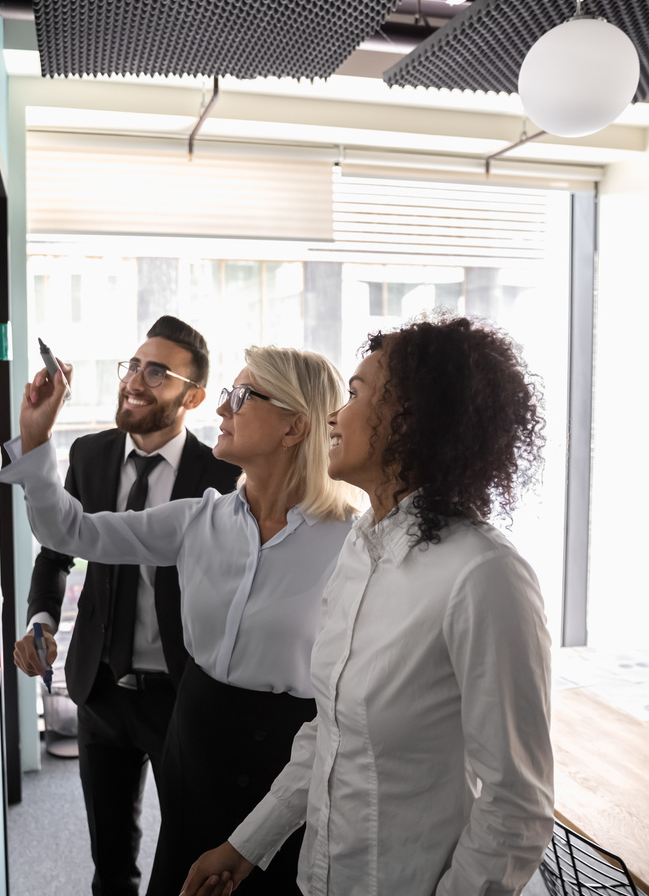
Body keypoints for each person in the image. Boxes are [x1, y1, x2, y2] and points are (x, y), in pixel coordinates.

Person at [180, 315, 554, 896]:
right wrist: (244, 847)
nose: (334, 414)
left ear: (412, 419)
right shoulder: (359, 545)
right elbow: (329, 734)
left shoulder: (484, 575)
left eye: (354, 395)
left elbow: (517, 806)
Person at [0, 341, 359, 896]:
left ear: (295, 427)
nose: (221, 410)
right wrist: (39, 437)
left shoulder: (351, 544)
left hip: (291, 755)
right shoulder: (201, 519)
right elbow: (72, 533)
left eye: (242, 397)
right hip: (197, 733)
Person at [11, 316, 240, 896]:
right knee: (110, 864)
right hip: (101, 689)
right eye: (133, 366)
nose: (135, 381)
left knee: (188, 856)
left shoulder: (222, 476)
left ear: (194, 396)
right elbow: (58, 551)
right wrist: (41, 619)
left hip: (184, 696)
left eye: (157, 372)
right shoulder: (90, 454)